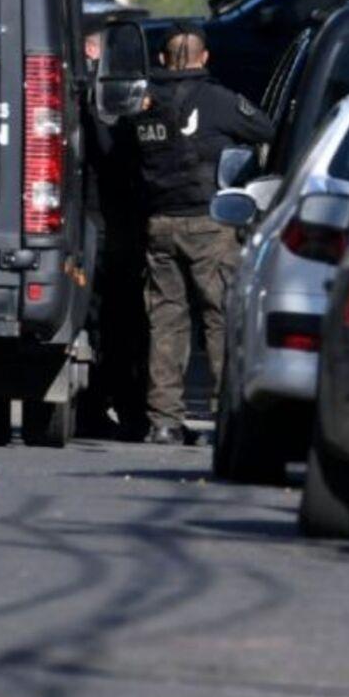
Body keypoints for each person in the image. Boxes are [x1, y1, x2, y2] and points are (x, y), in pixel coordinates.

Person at [126, 22, 275, 445]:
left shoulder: (142, 104)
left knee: (165, 321)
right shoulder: (219, 100)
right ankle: (223, 415)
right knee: (219, 320)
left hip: (158, 224)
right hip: (210, 226)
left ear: (161, 58)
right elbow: (264, 130)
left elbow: (124, 153)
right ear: (204, 58)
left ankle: (164, 422)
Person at [79, 24, 149, 439]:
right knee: (115, 321)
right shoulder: (99, 98)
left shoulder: (87, 93)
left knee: (113, 320)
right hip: (104, 222)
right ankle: (106, 406)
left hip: (99, 221)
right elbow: (110, 153)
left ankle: (112, 405)